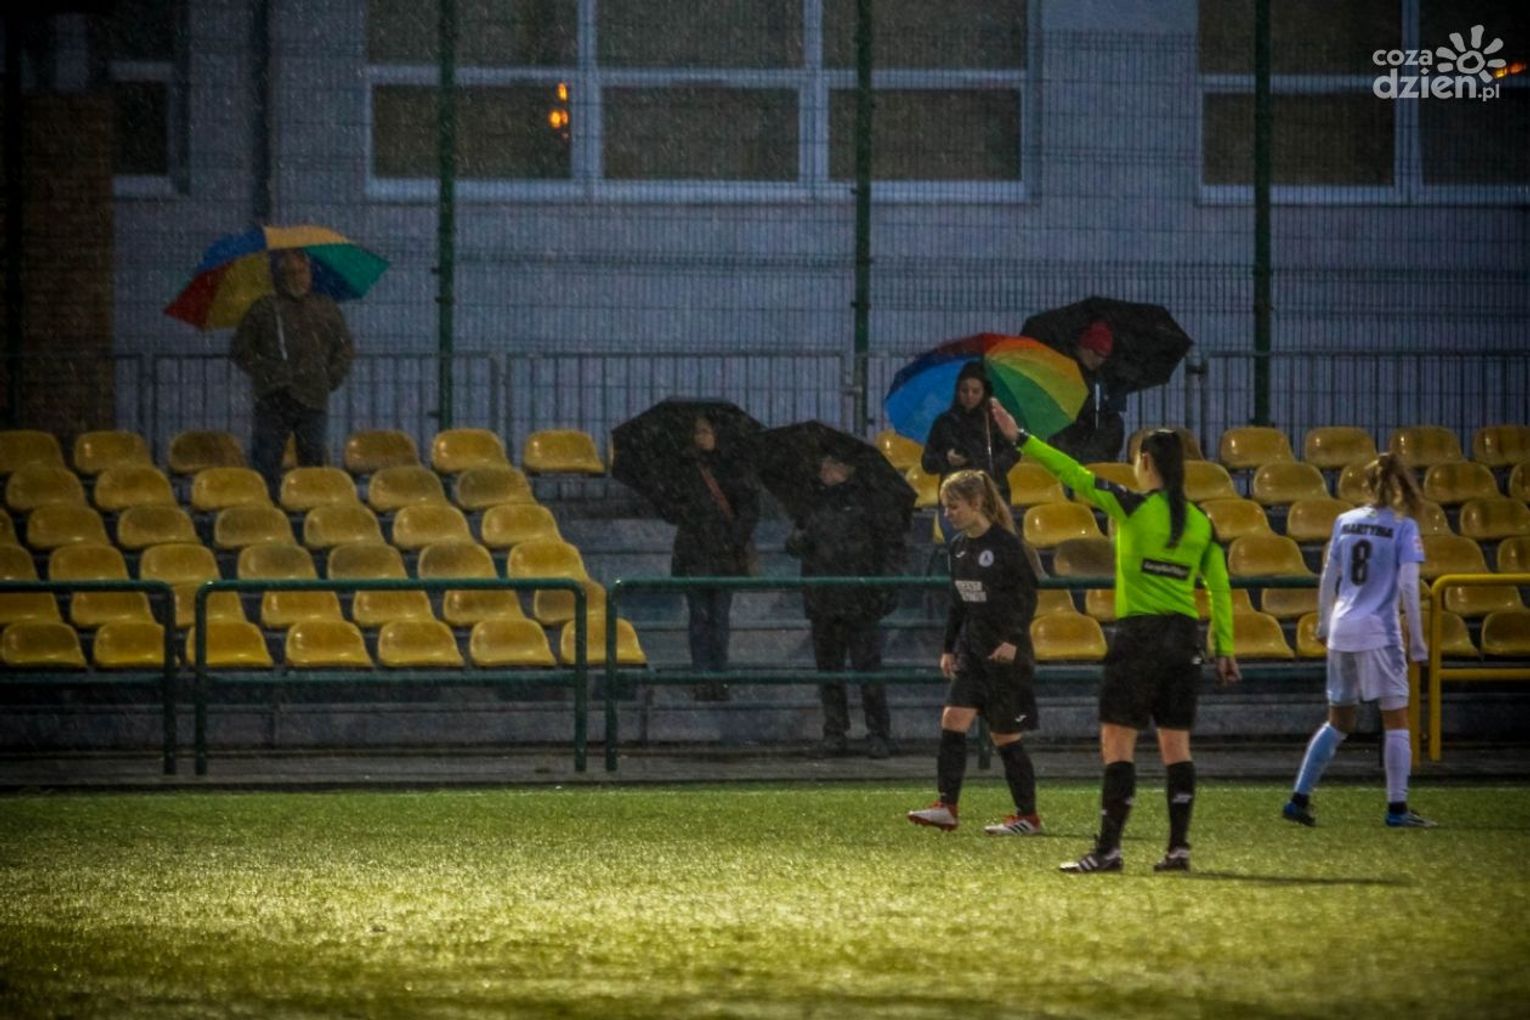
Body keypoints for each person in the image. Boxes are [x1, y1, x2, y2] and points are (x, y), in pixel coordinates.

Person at [991, 404, 1241, 873]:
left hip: (1140, 639)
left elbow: (1074, 474)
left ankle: (1108, 850)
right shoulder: (1201, 522)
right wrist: (1224, 647)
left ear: (1144, 461)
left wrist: (1020, 437)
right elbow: (1220, 589)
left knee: (1117, 744)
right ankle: (1178, 849)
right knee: (1176, 747)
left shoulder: (1131, 505)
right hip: (1184, 639)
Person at [1282, 455, 1435, 829]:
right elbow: (1408, 586)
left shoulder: (1345, 521)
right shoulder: (1403, 526)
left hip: (1342, 628)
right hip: (1378, 631)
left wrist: (1323, 623)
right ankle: (1397, 808)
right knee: (1396, 716)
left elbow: (1328, 575)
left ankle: (1299, 798)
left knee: (1339, 720)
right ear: (1402, 485)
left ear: (1366, 485)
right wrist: (1417, 641)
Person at [906, 469, 1045, 836]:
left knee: (1005, 737)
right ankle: (946, 807)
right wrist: (948, 647)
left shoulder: (1006, 545)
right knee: (952, 720)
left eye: (953, 506)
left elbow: (1027, 598)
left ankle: (1028, 817)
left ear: (976, 502)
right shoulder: (958, 547)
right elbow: (958, 603)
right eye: (945, 506)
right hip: (973, 651)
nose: (947, 514)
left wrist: (1013, 640)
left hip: (1005, 656)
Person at [785, 452, 908, 759]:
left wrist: (885, 587)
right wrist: (799, 538)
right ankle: (835, 731)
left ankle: (878, 733)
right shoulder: (813, 502)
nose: (824, 470)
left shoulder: (871, 503)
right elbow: (795, 544)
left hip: (859, 600)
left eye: (832, 464)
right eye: (824, 464)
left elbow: (891, 547)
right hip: (824, 598)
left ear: (848, 468)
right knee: (830, 671)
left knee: (867, 670)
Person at [231, 249, 356, 495]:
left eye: (302, 272)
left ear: (309, 273)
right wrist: (266, 371)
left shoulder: (325, 308)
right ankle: (268, 508)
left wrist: (329, 378)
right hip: (273, 398)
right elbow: (240, 349)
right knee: (266, 463)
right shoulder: (264, 309)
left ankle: (310, 508)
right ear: (280, 276)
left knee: (313, 465)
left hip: (313, 396)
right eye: (290, 273)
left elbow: (345, 348)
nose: (297, 278)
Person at [667, 414, 760, 701]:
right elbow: (673, 508)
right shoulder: (684, 468)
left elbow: (748, 509)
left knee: (717, 619)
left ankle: (718, 677)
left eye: (706, 431)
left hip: (721, 555)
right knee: (700, 619)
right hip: (695, 554)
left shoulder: (733, 468)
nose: (701, 437)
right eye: (697, 432)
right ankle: (703, 677)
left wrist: (732, 539)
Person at [921, 362, 1019, 509]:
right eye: (964, 391)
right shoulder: (944, 422)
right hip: (954, 494)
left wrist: (987, 464)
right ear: (957, 391)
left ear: (984, 392)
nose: (969, 396)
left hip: (990, 493)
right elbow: (927, 463)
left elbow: (1013, 452)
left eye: (976, 391)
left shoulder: (995, 420)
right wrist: (946, 459)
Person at [1048, 319, 1127, 464]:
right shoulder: (1063, 370)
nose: (1098, 360)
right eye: (1095, 353)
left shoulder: (1101, 377)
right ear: (1083, 347)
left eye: (1104, 356)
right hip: (1070, 442)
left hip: (1086, 444)